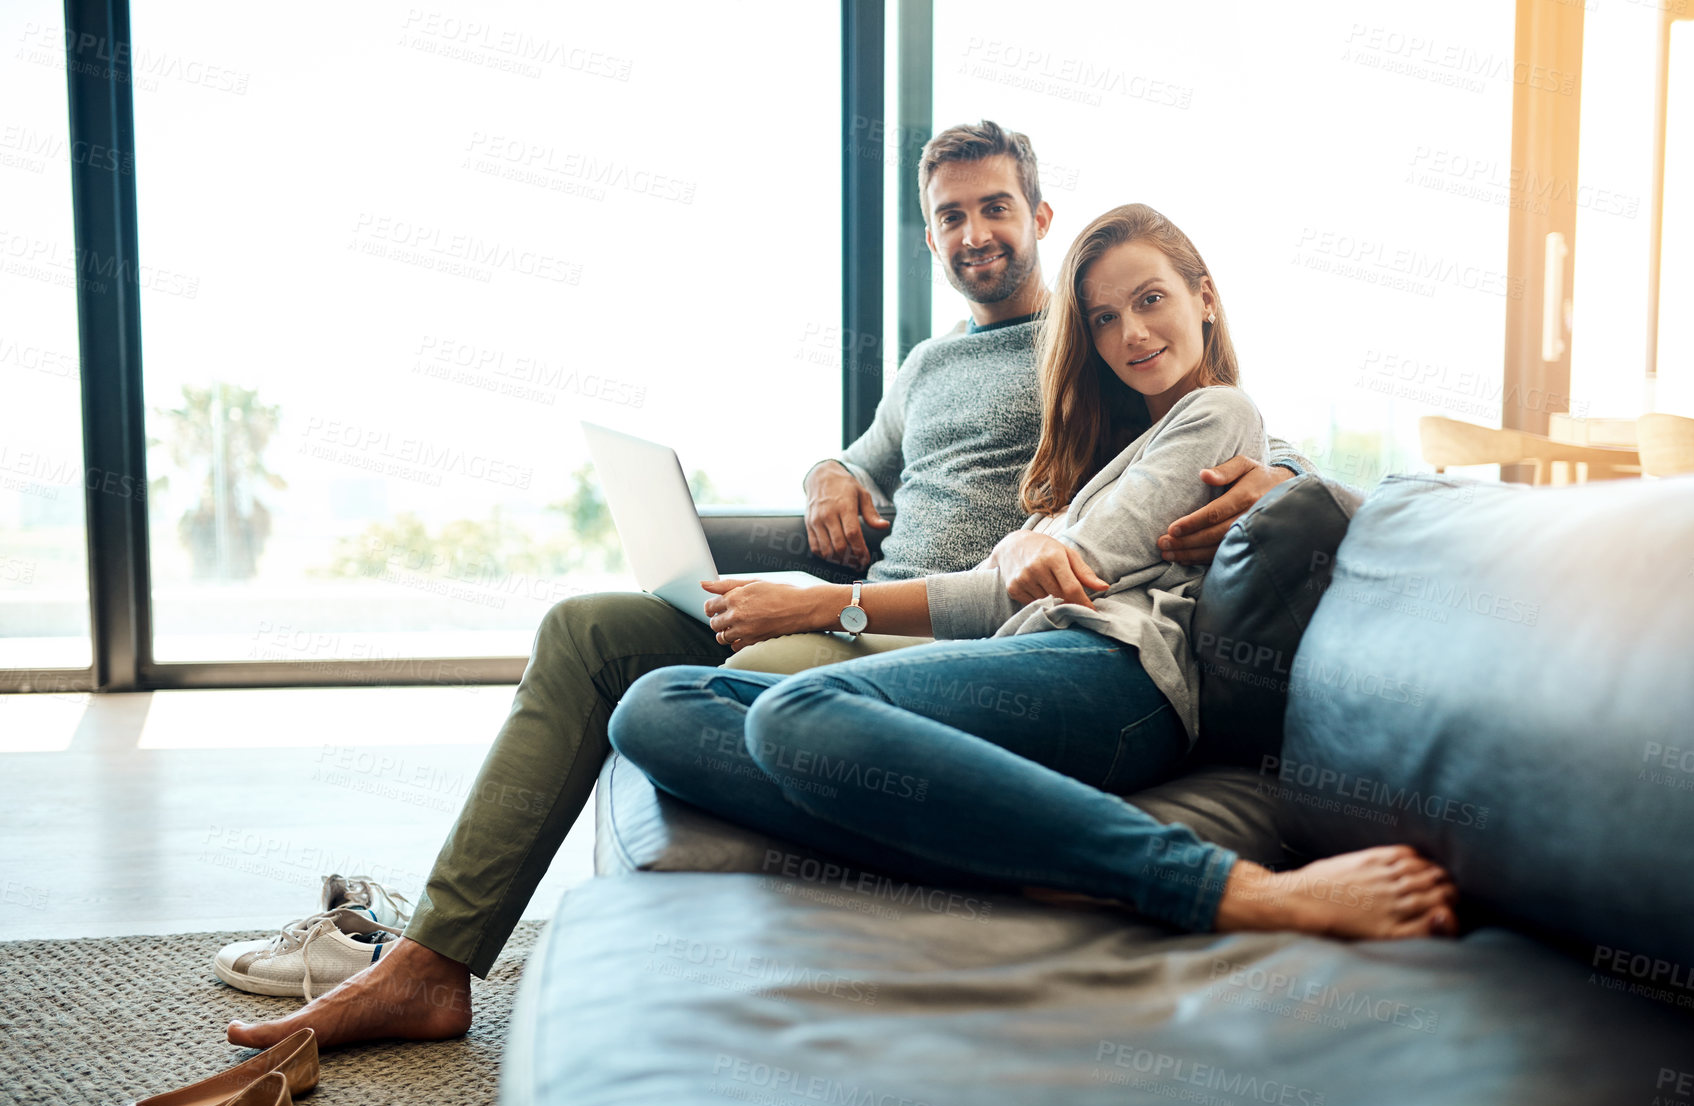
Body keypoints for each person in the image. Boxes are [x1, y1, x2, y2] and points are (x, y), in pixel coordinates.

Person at [227, 122, 1316, 1051]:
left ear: (1039, 214)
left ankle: (1028, 847)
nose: (976, 233)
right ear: (931, 234)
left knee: (769, 683)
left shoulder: (1087, 351)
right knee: (588, 636)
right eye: (951, 216)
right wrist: (829, 474)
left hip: (952, 639)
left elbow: (1221, 429)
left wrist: (1291, 481)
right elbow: (864, 455)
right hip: (869, 609)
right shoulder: (931, 366)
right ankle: (433, 958)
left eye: (998, 207)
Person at [608, 204, 1460, 941]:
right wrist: (1016, 540)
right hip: (1030, 657)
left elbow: (1063, 579)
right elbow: (1004, 577)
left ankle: (1217, 886)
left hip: (1118, 674)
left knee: (797, 712)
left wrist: (824, 603)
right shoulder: (1110, 452)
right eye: (1101, 318)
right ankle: (1021, 850)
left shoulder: (1220, 412)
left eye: (1151, 299)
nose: (1130, 332)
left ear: (1205, 298)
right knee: (653, 707)